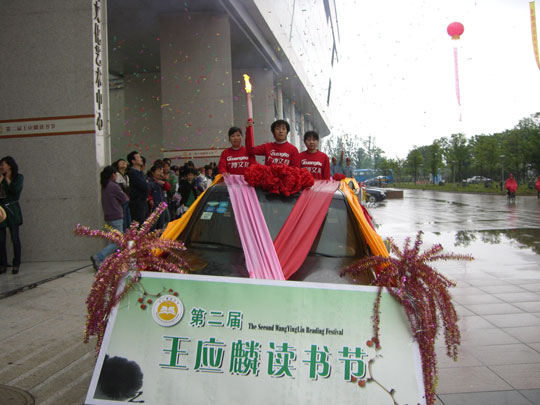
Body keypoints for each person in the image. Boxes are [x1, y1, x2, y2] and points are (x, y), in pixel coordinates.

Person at [90, 166, 128, 271]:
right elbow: (124, 199)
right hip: (116, 216)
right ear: (113, 174)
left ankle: (114, 262)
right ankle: (99, 256)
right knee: (118, 241)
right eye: (116, 174)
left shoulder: (105, 185)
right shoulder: (113, 186)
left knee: (115, 241)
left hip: (109, 216)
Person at [0, 156, 23, 274]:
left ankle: (16, 263)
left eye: (3, 165)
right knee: (1, 239)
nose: (1, 167)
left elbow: (15, 191)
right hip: (1, 211)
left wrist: (7, 179)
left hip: (12, 210)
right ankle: (2, 264)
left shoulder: (18, 177)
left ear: (9, 165)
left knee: (15, 238)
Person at [126, 151, 150, 225]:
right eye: (138, 157)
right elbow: (145, 186)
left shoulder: (140, 172)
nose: (141, 159)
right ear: (133, 161)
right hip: (137, 203)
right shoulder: (132, 173)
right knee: (139, 225)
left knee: (145, 225)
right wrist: (147, 183)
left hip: (143, 202)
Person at [147, 163, 170, 230]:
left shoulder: (162, 181)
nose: (160, 173)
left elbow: (168, 188)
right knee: (155, 223)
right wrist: (150, 199)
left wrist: (164, 182)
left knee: (166, 219)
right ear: (152, 172)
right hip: (155, 204)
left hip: (163, 203)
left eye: (161, 172)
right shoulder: (149, 181)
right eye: (158, 171)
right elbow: (147, 192)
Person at [113, 158, 131, 231]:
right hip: (121, 201)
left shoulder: (126, 177)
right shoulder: (117, 175)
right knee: (124, 220)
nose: (123, 163)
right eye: (121, 162)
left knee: (128, 219)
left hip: (127, 200)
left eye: (124, 162)